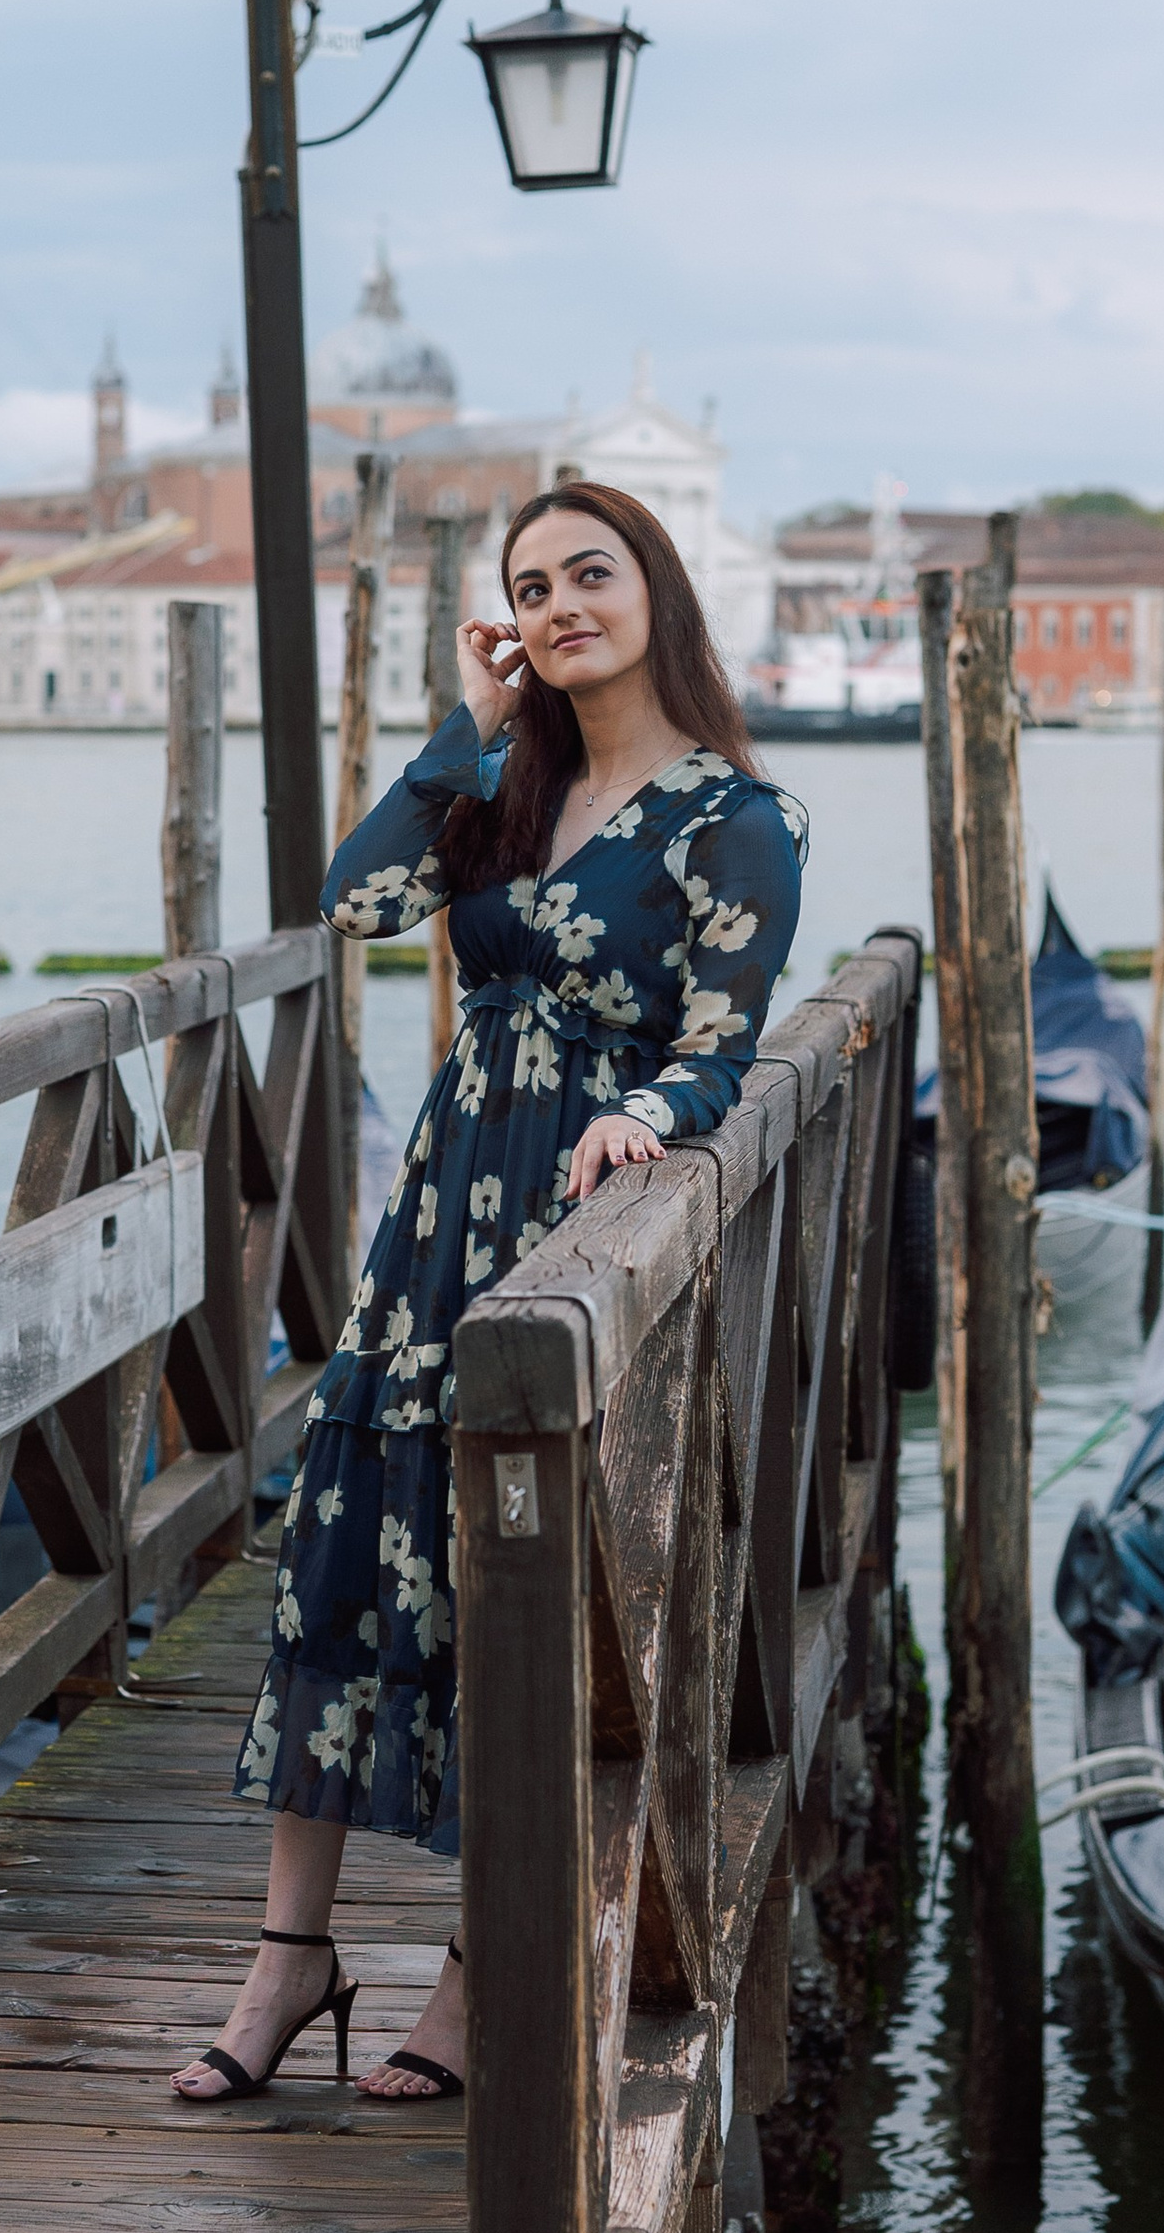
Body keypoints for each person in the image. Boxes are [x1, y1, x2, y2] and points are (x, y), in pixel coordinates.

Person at [171, 480, 804, 2105]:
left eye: (591, 573)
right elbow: (356, 900)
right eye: (531, 586)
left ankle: (472, 1967)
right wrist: (470, 722)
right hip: (436, 1218)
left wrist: (648, 1114)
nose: (562, 603)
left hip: (574, 1231)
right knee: (340, 1557)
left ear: (655, 586)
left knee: (509, 1590)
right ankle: (290, 1956)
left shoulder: (736, 818)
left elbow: (720, 1048)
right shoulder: (505, 789)